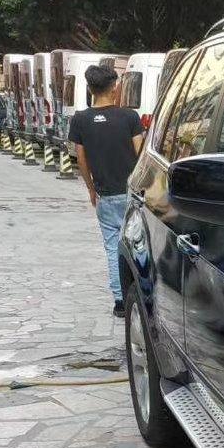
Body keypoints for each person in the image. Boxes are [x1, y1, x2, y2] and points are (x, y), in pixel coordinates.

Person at [69, 65, 144, 317]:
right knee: (140, 246)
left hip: (106, 195)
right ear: (114, 88)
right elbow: (140, 155)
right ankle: (142, 296)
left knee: (113, 248)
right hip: (133, 195)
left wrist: (91, 189)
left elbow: (81, 159)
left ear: (90, 89)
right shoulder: (130, 117)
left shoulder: (80, 120)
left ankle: (120, 302)